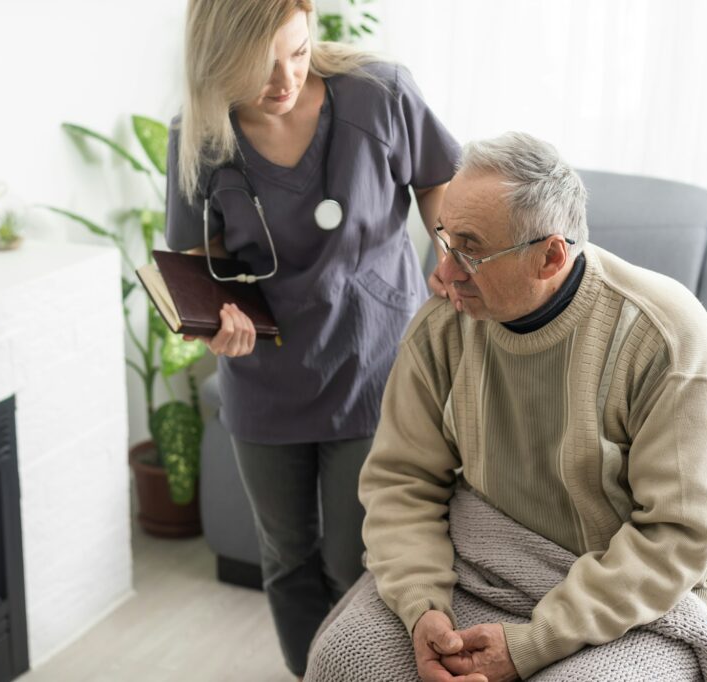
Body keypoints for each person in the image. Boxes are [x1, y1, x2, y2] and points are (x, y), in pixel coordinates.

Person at [358, 132, 707, 682]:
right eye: (444, 239)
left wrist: (532, 644)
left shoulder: (667, 338)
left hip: (642, 581)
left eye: (470, 249)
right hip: (494, 551)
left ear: (550, 256)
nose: (441, 274)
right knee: (347, 656)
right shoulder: (444, 324)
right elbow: (401, 481)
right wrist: (422, 608)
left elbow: (676, 537)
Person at [164, 0, 460, 677]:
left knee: (354, 562)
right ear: (215, 61)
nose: (285, 79)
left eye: (298, 53)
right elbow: (195, 263)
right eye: (260, 66)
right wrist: (219, 325)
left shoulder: (379, 94)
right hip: (265, 381)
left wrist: (451, 254)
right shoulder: (199, 133)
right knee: (288, 559)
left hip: (375, 363)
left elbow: (439, 178)